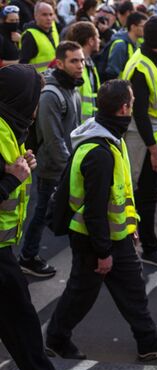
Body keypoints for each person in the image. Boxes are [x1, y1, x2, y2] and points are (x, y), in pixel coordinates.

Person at [45, 79, 157, 361]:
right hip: (97, 239)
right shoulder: (100, 152)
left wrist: (131, 228)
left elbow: (118, 199)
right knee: (83, 292)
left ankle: (148, 340)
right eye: (132, 103)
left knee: (129, 289)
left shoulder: (105, 140)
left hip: (110, 236)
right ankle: (56, 338)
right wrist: (103, 252)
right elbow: (95, 210)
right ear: (124, 108)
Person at [0, 63, 58, 370]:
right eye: (35, 97)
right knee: (22, 323)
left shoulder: (10, 126)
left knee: (20, 323)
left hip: (4, 251)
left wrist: (23, 164)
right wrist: (13, 179)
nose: (37, 105)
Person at [19, 41, 83, 278]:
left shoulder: (72, 88)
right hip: (52, 168)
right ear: (60, 63)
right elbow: (53, 138)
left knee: (49, 210)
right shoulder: (51, 94)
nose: (80, 66)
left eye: (82, 60)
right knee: (42, 211)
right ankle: (27, 256)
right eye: (73, 61)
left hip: (65, 165)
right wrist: (70, 170)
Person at [122, 15, 157, 268]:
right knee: (144, 197)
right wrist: (155, 151)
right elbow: (140, 114)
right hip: (144, 144)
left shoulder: (152, 59)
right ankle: (148, 248)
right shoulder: (141, 66)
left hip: (152, 140)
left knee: (147, 195)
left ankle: (137, 244)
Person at [66, 21, 100, 122]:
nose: (99, 40)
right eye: (97, 37)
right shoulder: (73, 67)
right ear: (91, 41)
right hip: (78, 129)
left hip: (88, 127)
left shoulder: (90, 63)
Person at [105, 11, 147, 80]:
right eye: (143, 26)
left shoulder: (137, 43)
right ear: (133, 27)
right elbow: (112, 73)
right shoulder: (120, 45)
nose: (145, 29)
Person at [19, 2, 59, 73]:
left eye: (51, 14)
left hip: (52, 78)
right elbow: (23, 65)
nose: (49, 18)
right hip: (37, 80)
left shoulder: (53, 32)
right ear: (35, 16)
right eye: (44, 15)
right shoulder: (30, 35)